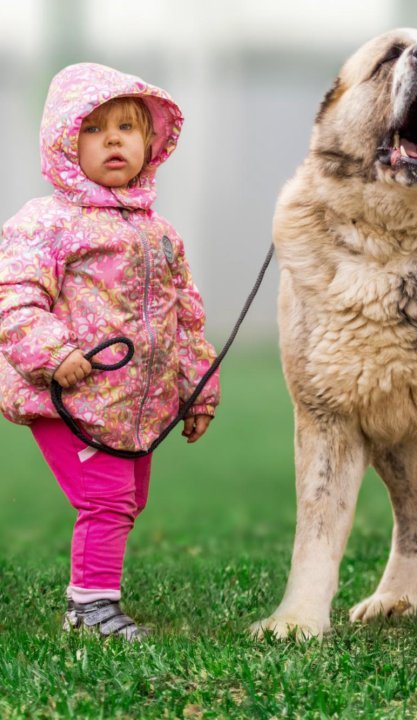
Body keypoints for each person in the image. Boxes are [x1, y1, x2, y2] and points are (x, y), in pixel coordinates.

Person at [0, 63, 220, 641]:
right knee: (107, 499)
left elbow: (185, 316)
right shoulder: (47, 223)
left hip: (133, 406)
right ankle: (89, 608)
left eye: (127, 127)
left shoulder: (161, 234)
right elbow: (15, 297)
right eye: (95, 129)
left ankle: (92, 597)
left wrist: (196, 390)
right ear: (66, 142)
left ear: (151, 144)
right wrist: (53, 354)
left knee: (128, 499)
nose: (114, 139)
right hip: (68, 395)